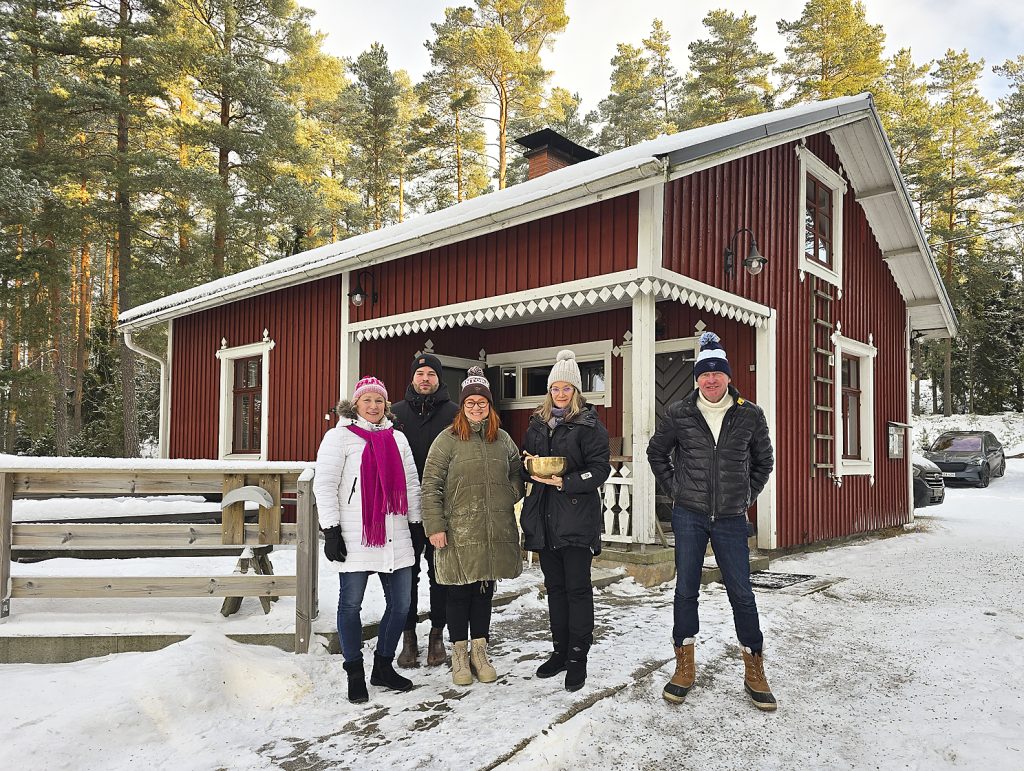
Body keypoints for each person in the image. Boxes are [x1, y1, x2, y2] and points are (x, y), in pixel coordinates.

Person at [646, 331, 777, 711]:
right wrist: (677, 491)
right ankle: (684, 666)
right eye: (705, 373)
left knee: (742, 593)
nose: (711, 379)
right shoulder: (679, 413)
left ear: (728, 377)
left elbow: (764, 461)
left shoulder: (750, 414)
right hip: (689, 515)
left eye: (717, 373)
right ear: (697, 379)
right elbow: (657, 453)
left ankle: (754, 668)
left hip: (732, 519)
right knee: (686, 590)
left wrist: (745, 496)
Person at [313, 376, 422, 704]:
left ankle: (383, 667)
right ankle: (355, 672)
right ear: (356, 404)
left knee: (401, 604)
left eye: (379, 401)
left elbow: (412, 484)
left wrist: (416, 523)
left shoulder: (398, 438)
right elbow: (325, 484)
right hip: (355, 533)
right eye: (367, 400)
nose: (373, 406)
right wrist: (331, 530)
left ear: (386, 405)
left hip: (395, 532)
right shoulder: (339, 437)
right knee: (350, 605)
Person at [420, 366, 526, 687]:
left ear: (489, 405)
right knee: (457, 593)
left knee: (483, 592)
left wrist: (509, 493)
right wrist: (435, 526)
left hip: (492, 530)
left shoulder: (502, 439)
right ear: (463, 406)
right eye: (470, 402)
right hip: (457, 532)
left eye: (482, 402)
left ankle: (480, 653)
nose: (476, 407)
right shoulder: (447, 440)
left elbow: (516, 473)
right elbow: (431, 485)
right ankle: (459, 655)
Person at [520, 350, 610, 692]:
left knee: (577, 589)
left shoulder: (589, 425)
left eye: (566, 388)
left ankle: (577, 658)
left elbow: (600, 469)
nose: (560, 394)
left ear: (575, 391)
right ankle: (559, 651)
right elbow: (527, 463)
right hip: (544, 518)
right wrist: (528, 464)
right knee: (555, 589)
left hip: (576, 517)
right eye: (555, 388)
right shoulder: (537, 423)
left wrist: (567, 481)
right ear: (549, 391)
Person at [392, 353, 459, 668]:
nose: (425, 379)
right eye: (420, 374)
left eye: (431, 374)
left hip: (441, 509)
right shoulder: (394, 414)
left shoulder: (454, 414)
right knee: (406, 574)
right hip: (402, 509)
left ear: (439, 379)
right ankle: (408, 636)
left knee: (439, 574)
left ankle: (436, 635)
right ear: (412, 378)